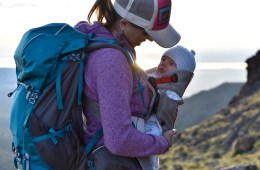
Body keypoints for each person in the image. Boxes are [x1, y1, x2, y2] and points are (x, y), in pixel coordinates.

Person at [74, 0, 181, 169]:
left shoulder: (107, 46)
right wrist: (162, 142)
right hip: (112, 163)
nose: (150, 39)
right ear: (124, 24)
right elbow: (119, 140)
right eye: (146, 33)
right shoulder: (111, 60)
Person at [136, 45, 196, 170]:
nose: (163, 63)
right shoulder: (150, 79)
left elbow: (164, 115)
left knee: (146, 163)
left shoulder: (171, 95)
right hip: (139, 130)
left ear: (180, 73)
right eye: (163, 59)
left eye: (171, 63)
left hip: (153, 130)